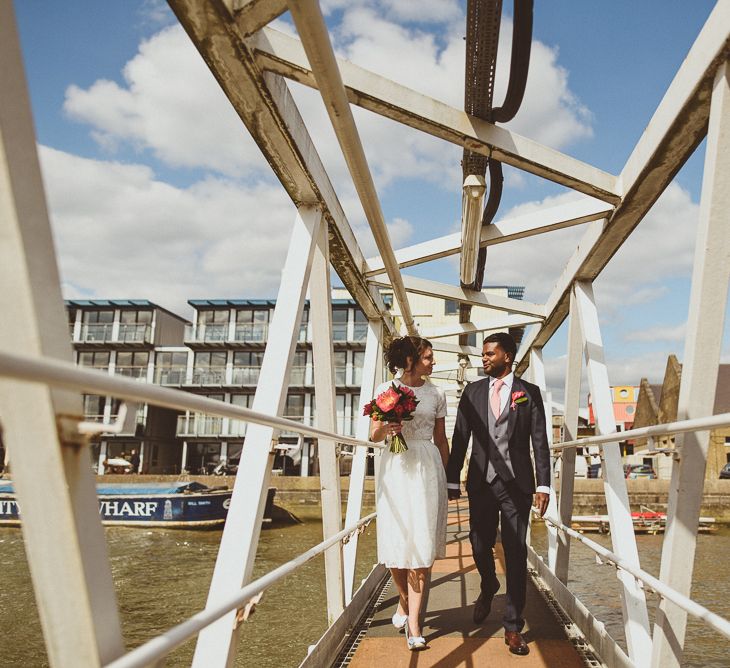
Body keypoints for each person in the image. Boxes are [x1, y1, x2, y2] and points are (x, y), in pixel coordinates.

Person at [446, 332, 550, 656]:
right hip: (481, 482)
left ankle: (513, 626)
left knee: (517, 553)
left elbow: (540, 442)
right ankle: (489, 583)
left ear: (508, 356)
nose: (484, 358)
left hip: (517, 485)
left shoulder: (528, 393)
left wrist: (544, 485)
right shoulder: (472, 392)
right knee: (479, 544)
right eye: (483, 354)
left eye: (490, 353)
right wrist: (452, 479)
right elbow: (460, 437)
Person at [371, 336, 449, 651]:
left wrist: (448, 476)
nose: (433, 362)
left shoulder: (436, 393)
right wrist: (388, 427)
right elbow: (374, 434)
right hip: (395, 466)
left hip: (427, 467)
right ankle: (403, 600)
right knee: (395, 539)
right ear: (409, 361)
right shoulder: (385, 390)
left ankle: (414, 621)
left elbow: (441, 439)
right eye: (428, 358)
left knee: (421, 543)